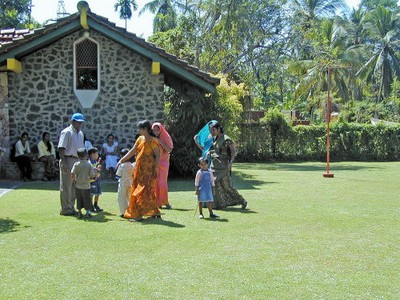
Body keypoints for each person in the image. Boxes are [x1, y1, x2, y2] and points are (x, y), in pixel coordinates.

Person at [117, 120, 161, 222]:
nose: (139, 131)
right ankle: (154, 212)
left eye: (140, 129)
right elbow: (133, 151)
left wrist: (156, 169)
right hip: (139, 170)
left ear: (145, 129)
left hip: (149, 171)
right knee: (142, 191)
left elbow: (158, 155)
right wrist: (121, 160)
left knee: (144, 191)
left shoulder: (153, 141)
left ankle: (139, 215)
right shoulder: (140, 139)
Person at [209, 122, 248, 210]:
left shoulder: (226, 139)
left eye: (213, 130)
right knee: (216, 185)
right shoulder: (215, 138)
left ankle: (242, 200)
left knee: (227, 186)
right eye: (211, 130)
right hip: (214, 166)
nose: (212, 132)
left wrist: (231, 162)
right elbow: (216, 151)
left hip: (223, 167)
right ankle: (220, 204)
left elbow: (233, 151)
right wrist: (211, 152)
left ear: (218, 129)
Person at [58, 112, 85, 216]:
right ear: (72, 121)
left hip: (77, 159)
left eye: (81, 123)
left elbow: (81, 149)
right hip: (68, 159)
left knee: (74, 185)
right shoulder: (67, 132)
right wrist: (64, 163)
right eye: (78, 123)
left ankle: (71, 206)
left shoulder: (81, 134)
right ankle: (65, 208)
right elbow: (61, 148)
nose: (80, 125)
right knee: (66, 185)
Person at [152, 122, 173, 209]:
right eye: (154, 130)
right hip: (153, 163)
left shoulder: (165, 137)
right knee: (155, 183)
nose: (156, 132)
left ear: (161, 130)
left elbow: (169, 150)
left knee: (162, 183)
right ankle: (157, 203)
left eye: (157, 130)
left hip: (163, 163)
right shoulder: (151, 138)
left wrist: (160, 142)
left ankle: (165, 202)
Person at [71, 148, 96, 218]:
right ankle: (88, 212)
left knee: (79, 199)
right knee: (87, 200)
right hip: (86, 186)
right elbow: (92, 175)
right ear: (86, 155)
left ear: (78, 156)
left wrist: (74, 180)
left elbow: (72, 173)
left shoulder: (76, 164)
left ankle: (79, 212)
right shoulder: (89, 164)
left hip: (78, 185)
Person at [115, 148, 136, 217]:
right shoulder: (132, 165)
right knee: (129, 197)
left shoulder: (121, 165)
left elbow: (118, 174)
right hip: (130, 183)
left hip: (123, 183)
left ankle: (123, 212)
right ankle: (131, 211)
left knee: (121, 197)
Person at [88, 147, 103, 212]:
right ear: (92, 154)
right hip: (92, 180)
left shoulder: (96, 162)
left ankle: (95, 204)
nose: (98, 155)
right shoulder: (89, 162)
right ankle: (90, 205)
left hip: (97, 180)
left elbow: (98, 169)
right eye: (97, 154)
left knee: (97, 193)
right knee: (92, 193)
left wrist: (99, 168)